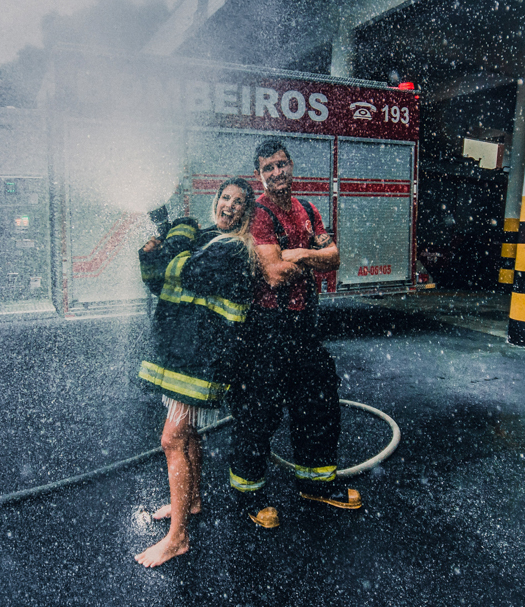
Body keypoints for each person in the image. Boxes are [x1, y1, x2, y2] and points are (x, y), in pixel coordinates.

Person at [227, 138, 361, 527]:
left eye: (281, 164)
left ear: (291, 166)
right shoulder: (259, 214)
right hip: (266, 332)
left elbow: (333, 258)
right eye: (268, 168)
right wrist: (310, 260)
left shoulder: (308, 210)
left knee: (318, 404)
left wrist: (298, 254)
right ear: (259, 176)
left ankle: (316, 485)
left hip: (304, 329)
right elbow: (272, 273)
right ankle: (248, 496)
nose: (277, 173)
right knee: (258, 415)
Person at [134, 177, 257, 567]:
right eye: (225, 198)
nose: (230, 206)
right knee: (185, 434)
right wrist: (149, 252)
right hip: (185, 351)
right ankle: (193, 501)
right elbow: (160, 282)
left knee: (171, 438)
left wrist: (176, 232)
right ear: (215, 201)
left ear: (246, 213)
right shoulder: (204, 236)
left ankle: (179, 537)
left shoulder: (234, 249)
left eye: (239, 203)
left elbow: (185, 273)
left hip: (202, 357)